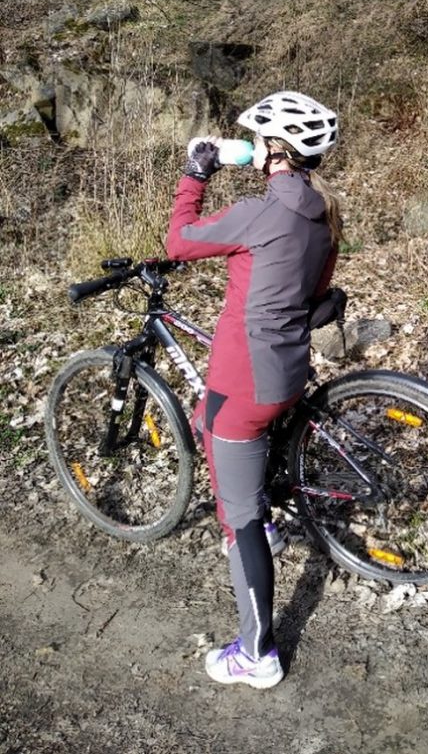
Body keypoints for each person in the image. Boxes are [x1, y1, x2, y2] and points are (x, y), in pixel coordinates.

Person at [165, 90, 342, 689]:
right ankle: (260, 518)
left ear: (273, 149)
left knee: (237, 516)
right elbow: (315, 294)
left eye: (262, 142)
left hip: (246, 380)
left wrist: (195, 174)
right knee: (204, 418)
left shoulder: (260, 212)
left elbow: (180, 242)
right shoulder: (321, 213)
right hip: (289, 372)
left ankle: (257, 653)